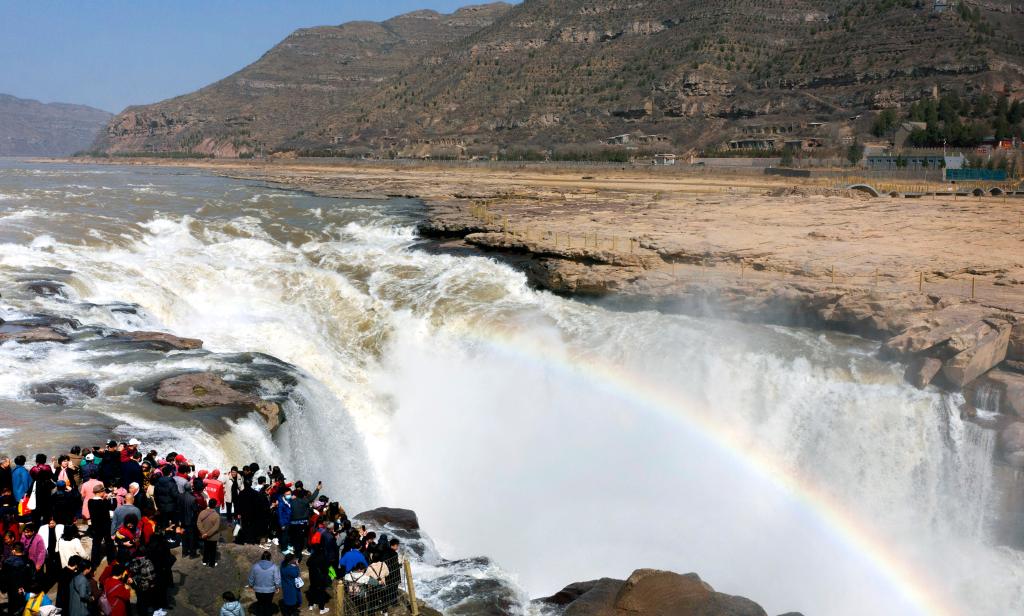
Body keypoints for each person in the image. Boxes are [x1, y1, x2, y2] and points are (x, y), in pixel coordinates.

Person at [86, 485, 113, 567]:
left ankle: (94, 563)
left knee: (96, 546)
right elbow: (107, 515)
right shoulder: (103, 503)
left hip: (95, 527)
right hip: (105, 527)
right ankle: (111, 561)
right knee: (109, 545)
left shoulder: (90, 502)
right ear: (101, 492)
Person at [3, 542, 33, 616]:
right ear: (22, 550)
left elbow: (3, 577)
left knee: (13, 609)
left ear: (13, 550)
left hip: (12, 591)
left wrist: (3, 588)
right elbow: (33, 577)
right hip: (25, 591)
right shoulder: (29, 562)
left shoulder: (7, 562)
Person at [247, 551, 281, 616]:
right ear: (270, 558)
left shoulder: (255, 566)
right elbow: (277, 579)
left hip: (258, 590)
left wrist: (251, 585)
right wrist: (277, 587)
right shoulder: (274, 567)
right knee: (268, 604)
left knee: (260, 603)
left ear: (261, 557)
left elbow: (251, 578)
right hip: (270, 590)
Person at [305, 545, 331, 614]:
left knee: (312, 590)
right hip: (320, 579)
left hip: (312, 577)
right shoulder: (323, 557)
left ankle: (311, 605)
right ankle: (322, 609)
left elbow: (307, 563)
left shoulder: (312, 556)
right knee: (322, 593)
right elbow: (326, 569)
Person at [197, 498, 221, 567]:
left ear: (208, 504)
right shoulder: (216, 515)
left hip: (204, 536)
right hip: (213, 536)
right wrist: (208, 534)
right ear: (215, 505)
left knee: (206, 548)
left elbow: (198, 523)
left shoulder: (202, 512)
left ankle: (204, 561)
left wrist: (203, 533)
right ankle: (212, 563)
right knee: (213, 550)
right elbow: (216, 527)